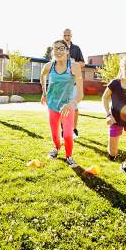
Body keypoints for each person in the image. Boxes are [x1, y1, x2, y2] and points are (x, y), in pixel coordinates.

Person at [40, 39, 84, 168]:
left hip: (67, 106)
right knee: (54, 132)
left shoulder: (74, 67)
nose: (58, 51)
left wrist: (72, 103)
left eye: (61, 48)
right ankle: (56, 147)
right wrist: (44, 92)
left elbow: (80, 94)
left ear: (67, 50)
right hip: (52, 104)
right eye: (55, 48)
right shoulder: (49, 66)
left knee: (68, 133)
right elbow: (42, 76)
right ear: (52, 51)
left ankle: (69, 156)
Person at [62, 28, 85, 138]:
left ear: (71, 36)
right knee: (62, 106)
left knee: (74, 107)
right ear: (63, 35)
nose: (67, 37)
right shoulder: (59, 48)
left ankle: (74, 129)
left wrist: (73, 62)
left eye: (68, 35)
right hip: (62, 82)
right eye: (65, 35)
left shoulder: (76, 48)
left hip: (74, 82)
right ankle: (63, 129)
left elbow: (83, 63)